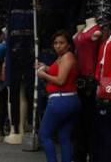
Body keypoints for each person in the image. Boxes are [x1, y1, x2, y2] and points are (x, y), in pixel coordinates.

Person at [37, 30, 81, 162]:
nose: (57, 46)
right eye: (55, 43)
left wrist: (43, 75)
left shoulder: (67, 56)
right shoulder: (61, 57)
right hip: (68, 100)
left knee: (44, 135)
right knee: (64, 137)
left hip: (61, 100)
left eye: (61, 43)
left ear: (68, 45)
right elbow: (57, 71)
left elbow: (61, 80)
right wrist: (45, 67)